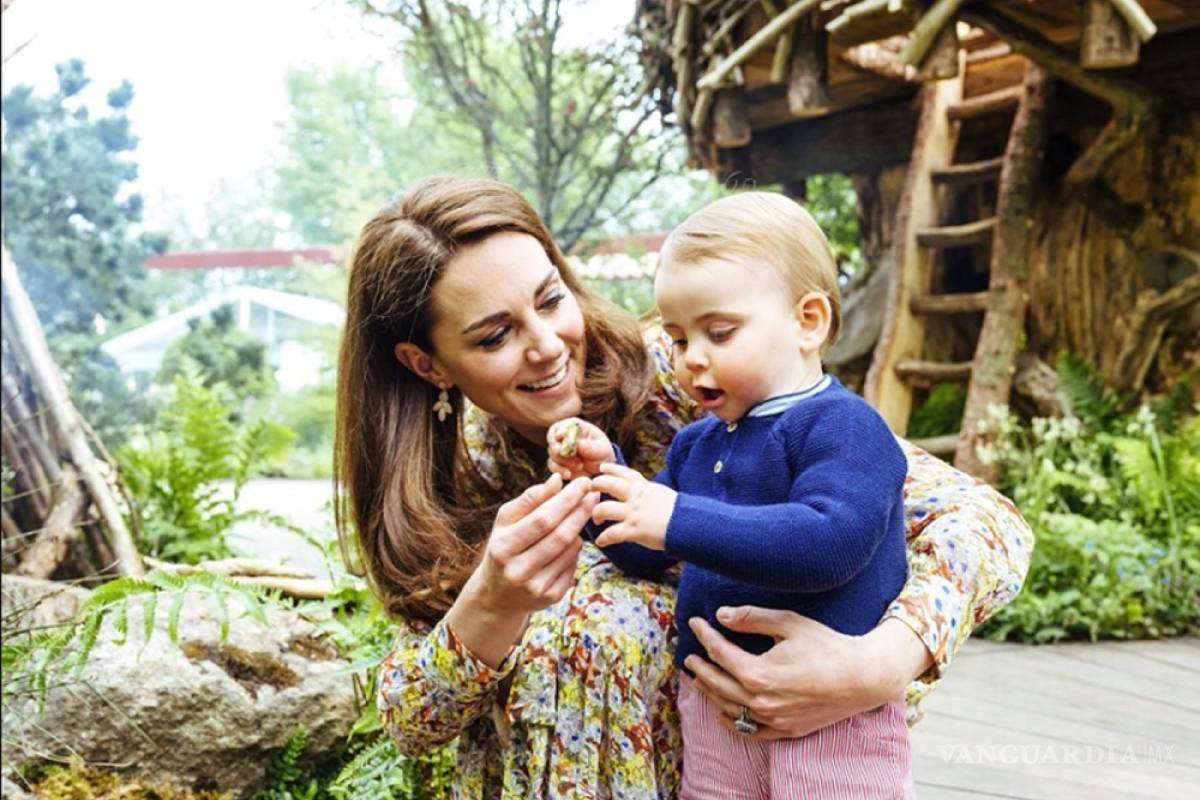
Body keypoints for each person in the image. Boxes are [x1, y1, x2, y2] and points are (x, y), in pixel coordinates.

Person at [335, 175, 1034, 799]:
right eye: (494, 337)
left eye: (552, 299)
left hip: (802, 757)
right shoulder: (448, 486)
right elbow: (410, 720)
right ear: (427, 365)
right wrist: (491, 604)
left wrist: (879, 665)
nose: (548, 344)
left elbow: (985, 521)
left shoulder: (699, 378)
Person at [545, 192, 913, 798]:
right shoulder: (696, 445)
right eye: (681, 339)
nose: (693, 359)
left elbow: (830, 543)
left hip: (830, 716)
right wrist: (598, 481)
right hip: (714, 707)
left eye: (719, 332)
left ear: (808, 321)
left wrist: (675, 518)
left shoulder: (843, 426)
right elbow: (644, 549)